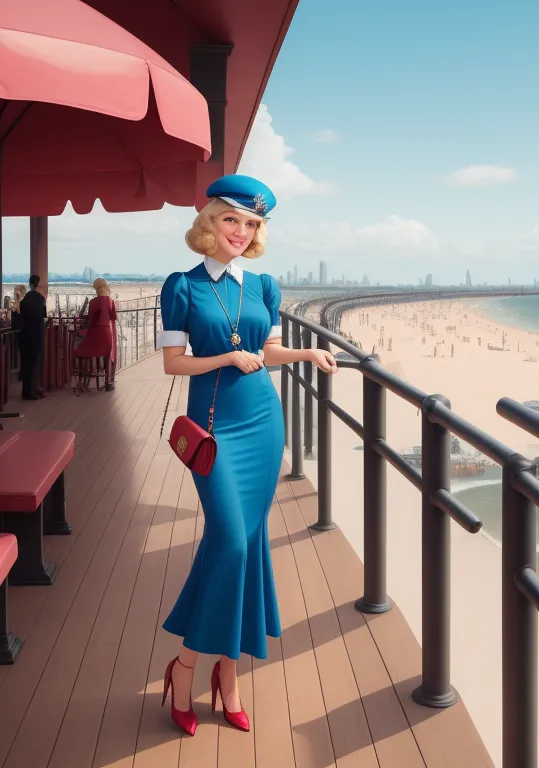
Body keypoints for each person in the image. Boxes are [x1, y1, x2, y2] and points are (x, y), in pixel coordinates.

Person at [158, 175, 337, 736]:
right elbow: (172, 364)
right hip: (213, 428)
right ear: (210, 222)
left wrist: (306, 351)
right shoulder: (181, 287)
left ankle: (227, 676)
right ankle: (187, 665)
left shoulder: (263, 285)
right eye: (232, 219)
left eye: (252, 224)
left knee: (245, 544)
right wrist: (224, 359)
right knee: (232, 542)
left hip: (263, 423)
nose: (241, 232)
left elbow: (267, 351)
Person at [73, 277, 118, 391]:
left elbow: (91, 319)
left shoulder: (92, 302)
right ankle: (107, 382)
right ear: (105, 286)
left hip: (94, 333)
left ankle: (96, 376)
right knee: (106, 355)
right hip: (105, 332)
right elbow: (113, 316)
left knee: (96, 353)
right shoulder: (110, 301)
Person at [18, 274, 47, 400]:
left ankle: (26, 391)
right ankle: (33, 391)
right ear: (38, 283)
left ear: (29, 283)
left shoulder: (24, 300)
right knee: (35, 363)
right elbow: (44, 318)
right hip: (37, 334)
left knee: (26, 363)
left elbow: (20, 319)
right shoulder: (41, 299)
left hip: (25, 335)